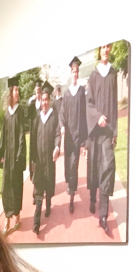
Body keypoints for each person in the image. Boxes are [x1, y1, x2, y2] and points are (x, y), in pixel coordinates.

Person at [85, 44, 119, 234]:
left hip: (107, 133)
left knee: (107, 167)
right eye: (103, 47)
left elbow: (114, 104)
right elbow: (88, 103)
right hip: (95, 131)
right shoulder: (93, 75)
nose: (105, 50)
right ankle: (92, 197)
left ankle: (103, 215)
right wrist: (97, 116)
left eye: (108, 46)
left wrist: (114, 132)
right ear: (99, 50)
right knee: (94, 167)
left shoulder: (113, 74)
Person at [0, 77, 27, 234]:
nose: (17, 92)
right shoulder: (7, 115)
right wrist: (2, 154)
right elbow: (3, 137)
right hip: (8, 157)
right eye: (15, 90)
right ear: (10, 92)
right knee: (6, 188)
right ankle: (7, 219)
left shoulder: (20, 112)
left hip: (17, 157)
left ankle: (17, 216)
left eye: (18, 90)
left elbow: (22, 135)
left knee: (16, 187)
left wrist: (20, 154)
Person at [30, 83, 61, 235]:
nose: (44, 102)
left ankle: (48, 204)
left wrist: (57, 147)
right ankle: (36, 223)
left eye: (46, 99)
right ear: (40, 100)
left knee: (49, 183)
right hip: (39, 161)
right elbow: (33, 138)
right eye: (42, 100)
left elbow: (57, 133)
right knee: (38, 190)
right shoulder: (36, 117)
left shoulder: (53, 115)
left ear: (49, 100)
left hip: (49, 159)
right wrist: (33, 159)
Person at [58, 56, 88, 214]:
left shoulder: (82, 91)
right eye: (73, 71)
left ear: (78, 73)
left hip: (77, 136)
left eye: (77, 71)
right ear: (70, 73)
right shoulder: (67, 93)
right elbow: (62, 112)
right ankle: (70, 185)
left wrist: (84, 141)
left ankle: (71, 193)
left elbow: (84, 116)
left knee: (74, 164)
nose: (75, 74)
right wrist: (62, 126)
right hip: (68, 135)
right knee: (67, 165)